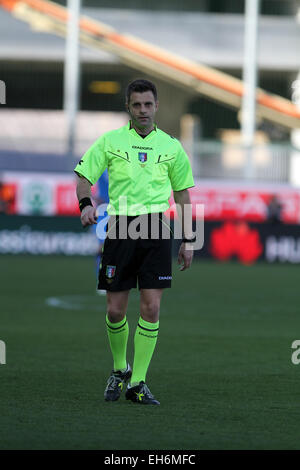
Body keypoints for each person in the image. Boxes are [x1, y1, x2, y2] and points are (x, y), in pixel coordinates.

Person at [74, 79, 195, 405]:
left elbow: (182, 194)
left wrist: (188, 239)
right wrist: (86, 204)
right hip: (120, 229)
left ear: (156, 106)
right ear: (128, 107)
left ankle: (138, 383)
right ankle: (119, 369)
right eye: (137, 105)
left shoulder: (171, 146)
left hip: (156, 229)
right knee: (115, 310)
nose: (143, 110)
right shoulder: (110, 141)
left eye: (148, 104)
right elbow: (84, 177)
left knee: (151, 307)